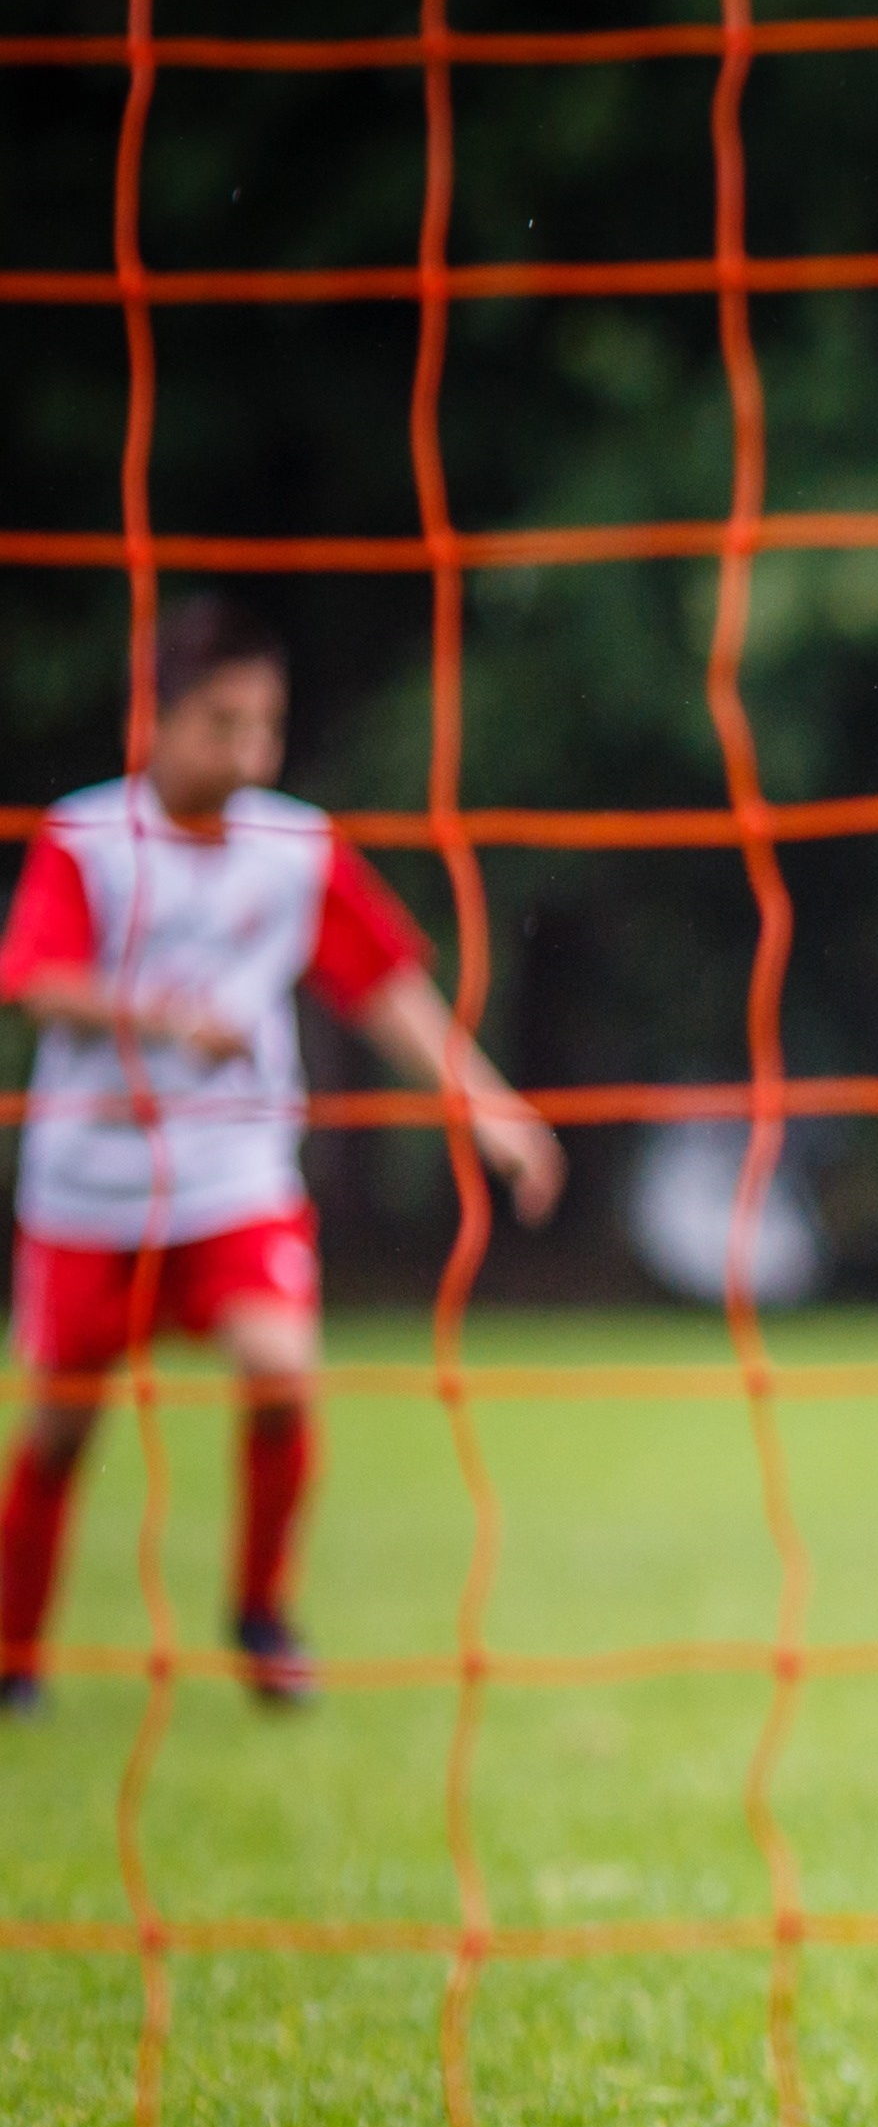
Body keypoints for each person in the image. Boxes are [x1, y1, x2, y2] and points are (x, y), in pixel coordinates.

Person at [0, 595, 565, 1709]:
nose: (250, 752)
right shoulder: (86, 838)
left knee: (281, 1370)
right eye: (224, 724)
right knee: (61, 1427)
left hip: (234, 1179)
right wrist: (163, 1017)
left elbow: (385, 985)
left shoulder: (295, 848)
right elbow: (34, 979)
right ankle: (14, 1653)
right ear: (156, 718)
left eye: (267, 725)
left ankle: (262, 1615)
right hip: (91, 1186)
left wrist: (489, 1106)